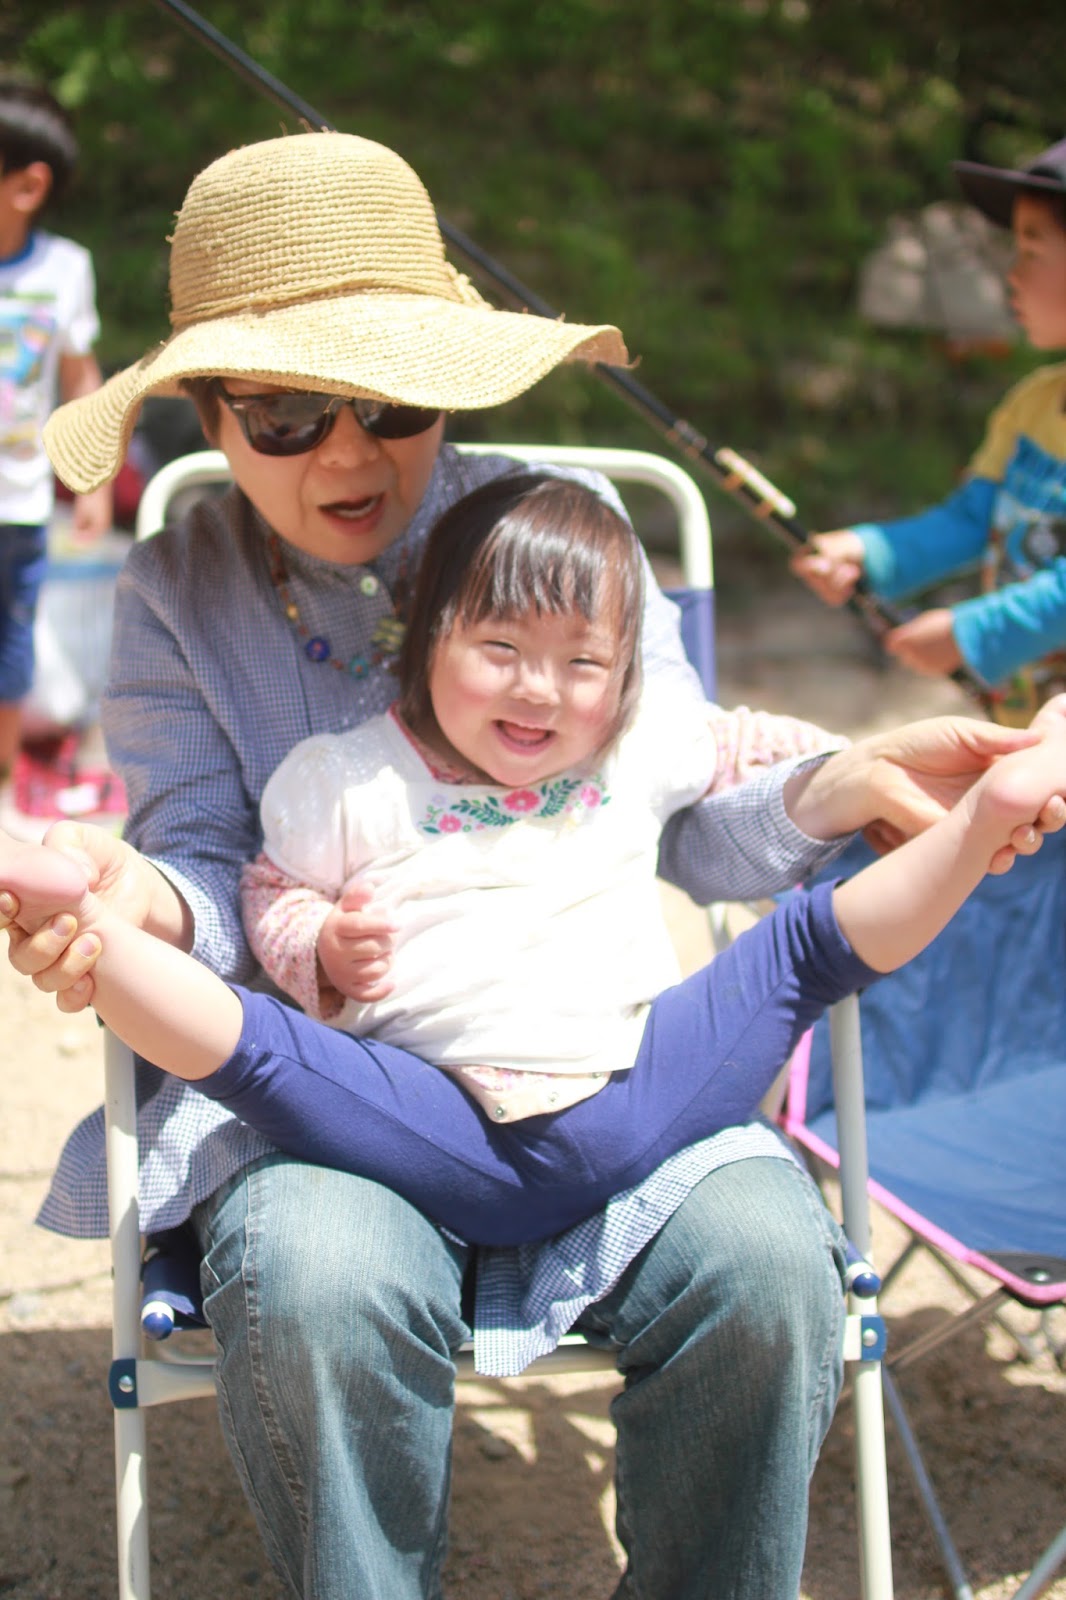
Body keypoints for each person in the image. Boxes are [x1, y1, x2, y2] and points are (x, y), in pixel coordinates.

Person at [7, 129, 1049, 1597]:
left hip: (600, 1064)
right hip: (335, 1095)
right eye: (287, 412)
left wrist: (838, 782)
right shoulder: (179, 587)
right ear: (207, 410)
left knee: (767, 1265)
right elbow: (204, 863)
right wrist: (140, 902)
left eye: (392, 399)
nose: (349, 453)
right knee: (313, 1277)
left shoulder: (564, 532)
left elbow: (682, 810)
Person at [5, 467, 1065, 1254]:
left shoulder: (635, 744)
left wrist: (855, 759)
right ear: (426, 639)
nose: (539, 690)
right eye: (501, 650)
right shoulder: (347, 779)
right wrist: (318, 945)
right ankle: (81, 921)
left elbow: (750, 744)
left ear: (625, 674)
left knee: (803, 953)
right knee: (262, 1054)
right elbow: (267, 890)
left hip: (638, 1089)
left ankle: (985, 817)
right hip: (426, 1112)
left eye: (583, 663)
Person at [792, 135, 1066, 726]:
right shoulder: (1032, 405)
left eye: (1032, 251)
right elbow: (971, 519)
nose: (1012, 275)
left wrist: (976, 632)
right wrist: (870, 553)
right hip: (1027, 732)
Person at [0, 80, 111, 788]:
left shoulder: (65, 270)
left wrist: (93, 480)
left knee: (11, 644)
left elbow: (80, 378)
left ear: (28, 185)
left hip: (19, 502)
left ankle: (2, 788)